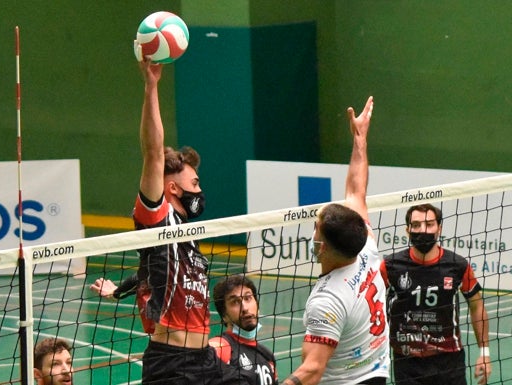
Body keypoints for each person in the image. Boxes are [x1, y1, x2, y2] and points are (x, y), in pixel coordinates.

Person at [89, 58, 245, 384]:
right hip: (172, 364)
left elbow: (150, 271)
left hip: (204, 357)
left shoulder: (187, 236)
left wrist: (119, 289)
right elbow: (153, 151)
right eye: (195, 184)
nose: (200, 190)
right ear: (172, 188)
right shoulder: (157, 217)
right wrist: (152, 86)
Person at [282, 96, 390, 385]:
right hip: (376, 373)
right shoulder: (365, 247)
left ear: (324, 246)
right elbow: (356, 191)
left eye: (316, 229)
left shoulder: (327, 300)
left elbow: (312, 370)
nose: (312, 233)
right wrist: (360, 138)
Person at [380, 203, 492, 385]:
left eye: (429, 224)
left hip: (449, 360)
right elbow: (372, 307)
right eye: (416, 225)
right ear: (407, 230)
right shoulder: (390, 266)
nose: (423, 230)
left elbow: (476, 305)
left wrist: (484, 353)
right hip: (407, 361)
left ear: (439, 228)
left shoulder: (458, 265)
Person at [209, 275, 278, 385]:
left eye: (248, 298)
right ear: (224, 315)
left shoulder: (267, 356)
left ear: (258, 306)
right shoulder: (219, 347)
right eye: (235, 302)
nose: (245, 308)